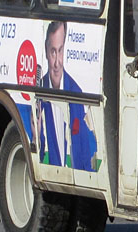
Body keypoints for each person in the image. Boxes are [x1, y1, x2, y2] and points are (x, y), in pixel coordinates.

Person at [35, 20, 99, 171]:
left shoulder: (77, 94)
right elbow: (38, 154)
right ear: (46, 51)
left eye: (60, 50)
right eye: (53, 52)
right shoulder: (39, 94)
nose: (57, 62)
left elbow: (85, 151)